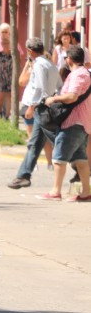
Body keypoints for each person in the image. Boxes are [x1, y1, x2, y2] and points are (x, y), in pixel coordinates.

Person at [36, 45, 91, 201]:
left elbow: (72, 96)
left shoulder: (79, 75)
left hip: (73, 122)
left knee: (59, 158)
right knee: (80, 159)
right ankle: (86, 192)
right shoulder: (83, 74)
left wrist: (54, 98)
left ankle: (55, 191)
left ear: (69, 59)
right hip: (82, 122)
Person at [8, 37, 61, 188]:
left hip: (42, 108)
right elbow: (59, 86)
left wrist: (32, 107)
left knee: (61, 142)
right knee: (35, 143)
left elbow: (39, 88)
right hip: (48, 106)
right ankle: (23, 176)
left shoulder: (38, 65)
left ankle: (81, 168)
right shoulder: (50, 64)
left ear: (30, 51)